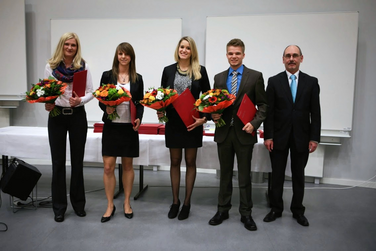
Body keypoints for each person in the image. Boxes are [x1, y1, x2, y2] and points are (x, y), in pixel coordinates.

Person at [208, 38, 267, 231]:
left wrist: (254, 123)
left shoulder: (255, 76)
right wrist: (213, 114)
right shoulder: (218, 78)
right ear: (227, 55)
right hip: (224, 132)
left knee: (244, 176)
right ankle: (222, 209)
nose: (234, 56)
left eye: (237, 53)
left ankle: (246, 213)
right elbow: (213, 103)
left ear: (243, 55)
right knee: (224, 175)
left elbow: (263, 106)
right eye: (230, 53)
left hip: (245, 132)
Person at [263, 45, 321, 227]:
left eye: (295, 55)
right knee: (277, 175)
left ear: (301, 58)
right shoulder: (274, 81)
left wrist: (314, 137)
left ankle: (298, 210)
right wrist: (268, 136)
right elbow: (269, 112)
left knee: (298, 175)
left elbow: (315, 112)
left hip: (302, 137)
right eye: (288, 56)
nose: (291, 59)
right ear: (283, 59)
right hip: (278, 136)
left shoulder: (311, 82)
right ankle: (276, 209)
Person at [158, 36, 210, 220]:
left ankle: (187, 203)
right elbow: (162, 96)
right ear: (178, 49)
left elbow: (209, 99)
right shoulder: (168, 70)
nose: (184, 50)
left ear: (192, 51)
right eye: (182, 47)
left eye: (188, 48)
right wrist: (160, 110)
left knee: (190, 162)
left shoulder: (200, 71)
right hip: (173, 123)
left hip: (192, 123)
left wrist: (204, 119)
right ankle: (175, 201)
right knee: (174, 162)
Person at [44, 32, 94, 222]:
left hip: (77, 116)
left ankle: (78, 205)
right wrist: (47, 103)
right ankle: (59, 207)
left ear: (77, 47)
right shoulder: (51, 67)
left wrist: (79, 100)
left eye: (73, 45)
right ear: (62, 46)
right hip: (57, 116)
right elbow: (46, 91)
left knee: (77, 162)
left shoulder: (83, 66)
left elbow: (91, 92)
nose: (70, 48)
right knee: (57, 164)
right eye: (67, 44)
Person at [99, 42, 144, 223]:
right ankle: (110, 205)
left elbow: (140, 102)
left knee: (127, 166)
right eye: (120, 53)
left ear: (131, 57)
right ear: (116, 56)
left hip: (128, 128)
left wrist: (139, 118)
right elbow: (101, 99)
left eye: (126, 54)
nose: (123, 57)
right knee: (108, 167)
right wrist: (106, 109)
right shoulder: (107, 75)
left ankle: (126, 202)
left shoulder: (137, 78)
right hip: (111, 127)